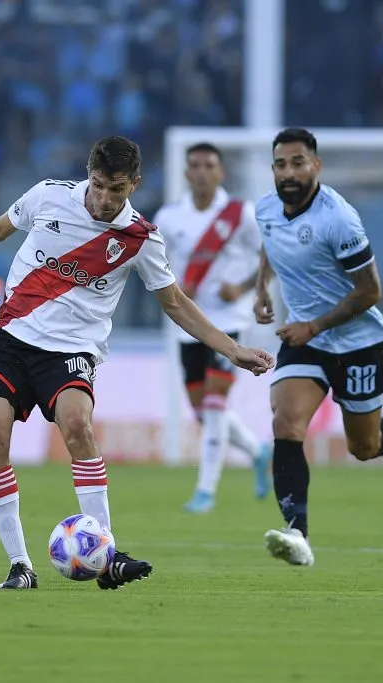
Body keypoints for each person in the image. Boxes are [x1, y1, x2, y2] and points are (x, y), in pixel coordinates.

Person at [0, 136, 275, 590]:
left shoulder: (141, 239)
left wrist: (232, 349)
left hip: (71, 351)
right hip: (11, 342)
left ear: (133, 185)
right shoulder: (49, 195)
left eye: (116, 189)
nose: (103, 199)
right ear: (88, 173)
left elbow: (175, 303)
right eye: (98, 185)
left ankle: (108, 556)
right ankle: (20, 563)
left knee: (78, 427)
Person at [254, 128, 383, 567]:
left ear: (316, 166)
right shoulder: (266, 209)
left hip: (358, 342)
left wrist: (315, 325)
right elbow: (270, 243)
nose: (289, 171)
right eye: (281, 164)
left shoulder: (339, 220)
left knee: (364, 448)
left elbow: (370, 291)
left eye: (298, 162)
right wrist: (261, 287)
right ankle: (299, 535)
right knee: (286, 421)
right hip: (305, 342)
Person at [154, 143, 273, 513]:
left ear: (221, 172)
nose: (202, 171)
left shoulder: (241, 214)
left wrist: (245, 287)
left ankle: (205, 491)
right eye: (195, 166)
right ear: (186, 174)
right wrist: (174, 284)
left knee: (216, 405)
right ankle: (257, 451)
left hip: (229, 322)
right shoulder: (170, 218)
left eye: (209, 165)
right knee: (202, 411)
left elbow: (270, 253)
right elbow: (154, 263)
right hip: (187, 324)